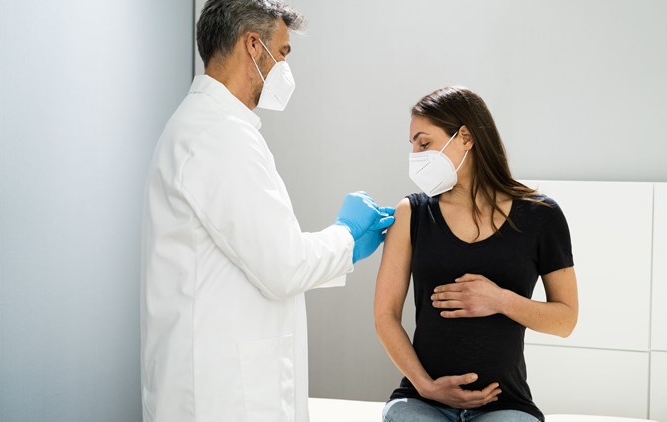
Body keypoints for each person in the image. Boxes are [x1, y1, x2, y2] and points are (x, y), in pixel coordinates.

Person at [140, 1, 394, 421]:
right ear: (253, 45)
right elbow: (284, 266)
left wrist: (344, 243)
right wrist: (347, 234)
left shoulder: (210, 127)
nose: (285, 69)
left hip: (218, 380)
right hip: (221, 396)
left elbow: (264, 254)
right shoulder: (218, 136)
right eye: (282, 53)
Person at [374, 86, 578, 422]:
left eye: (423, 143)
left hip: (506, 404)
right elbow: (385, 315)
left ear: (466, 137)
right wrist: (426, 386)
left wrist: (500, 300)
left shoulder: (541, 215)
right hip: (422, 400)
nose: (415, 155)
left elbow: (565, 320)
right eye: (412, 145)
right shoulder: (411, 214)